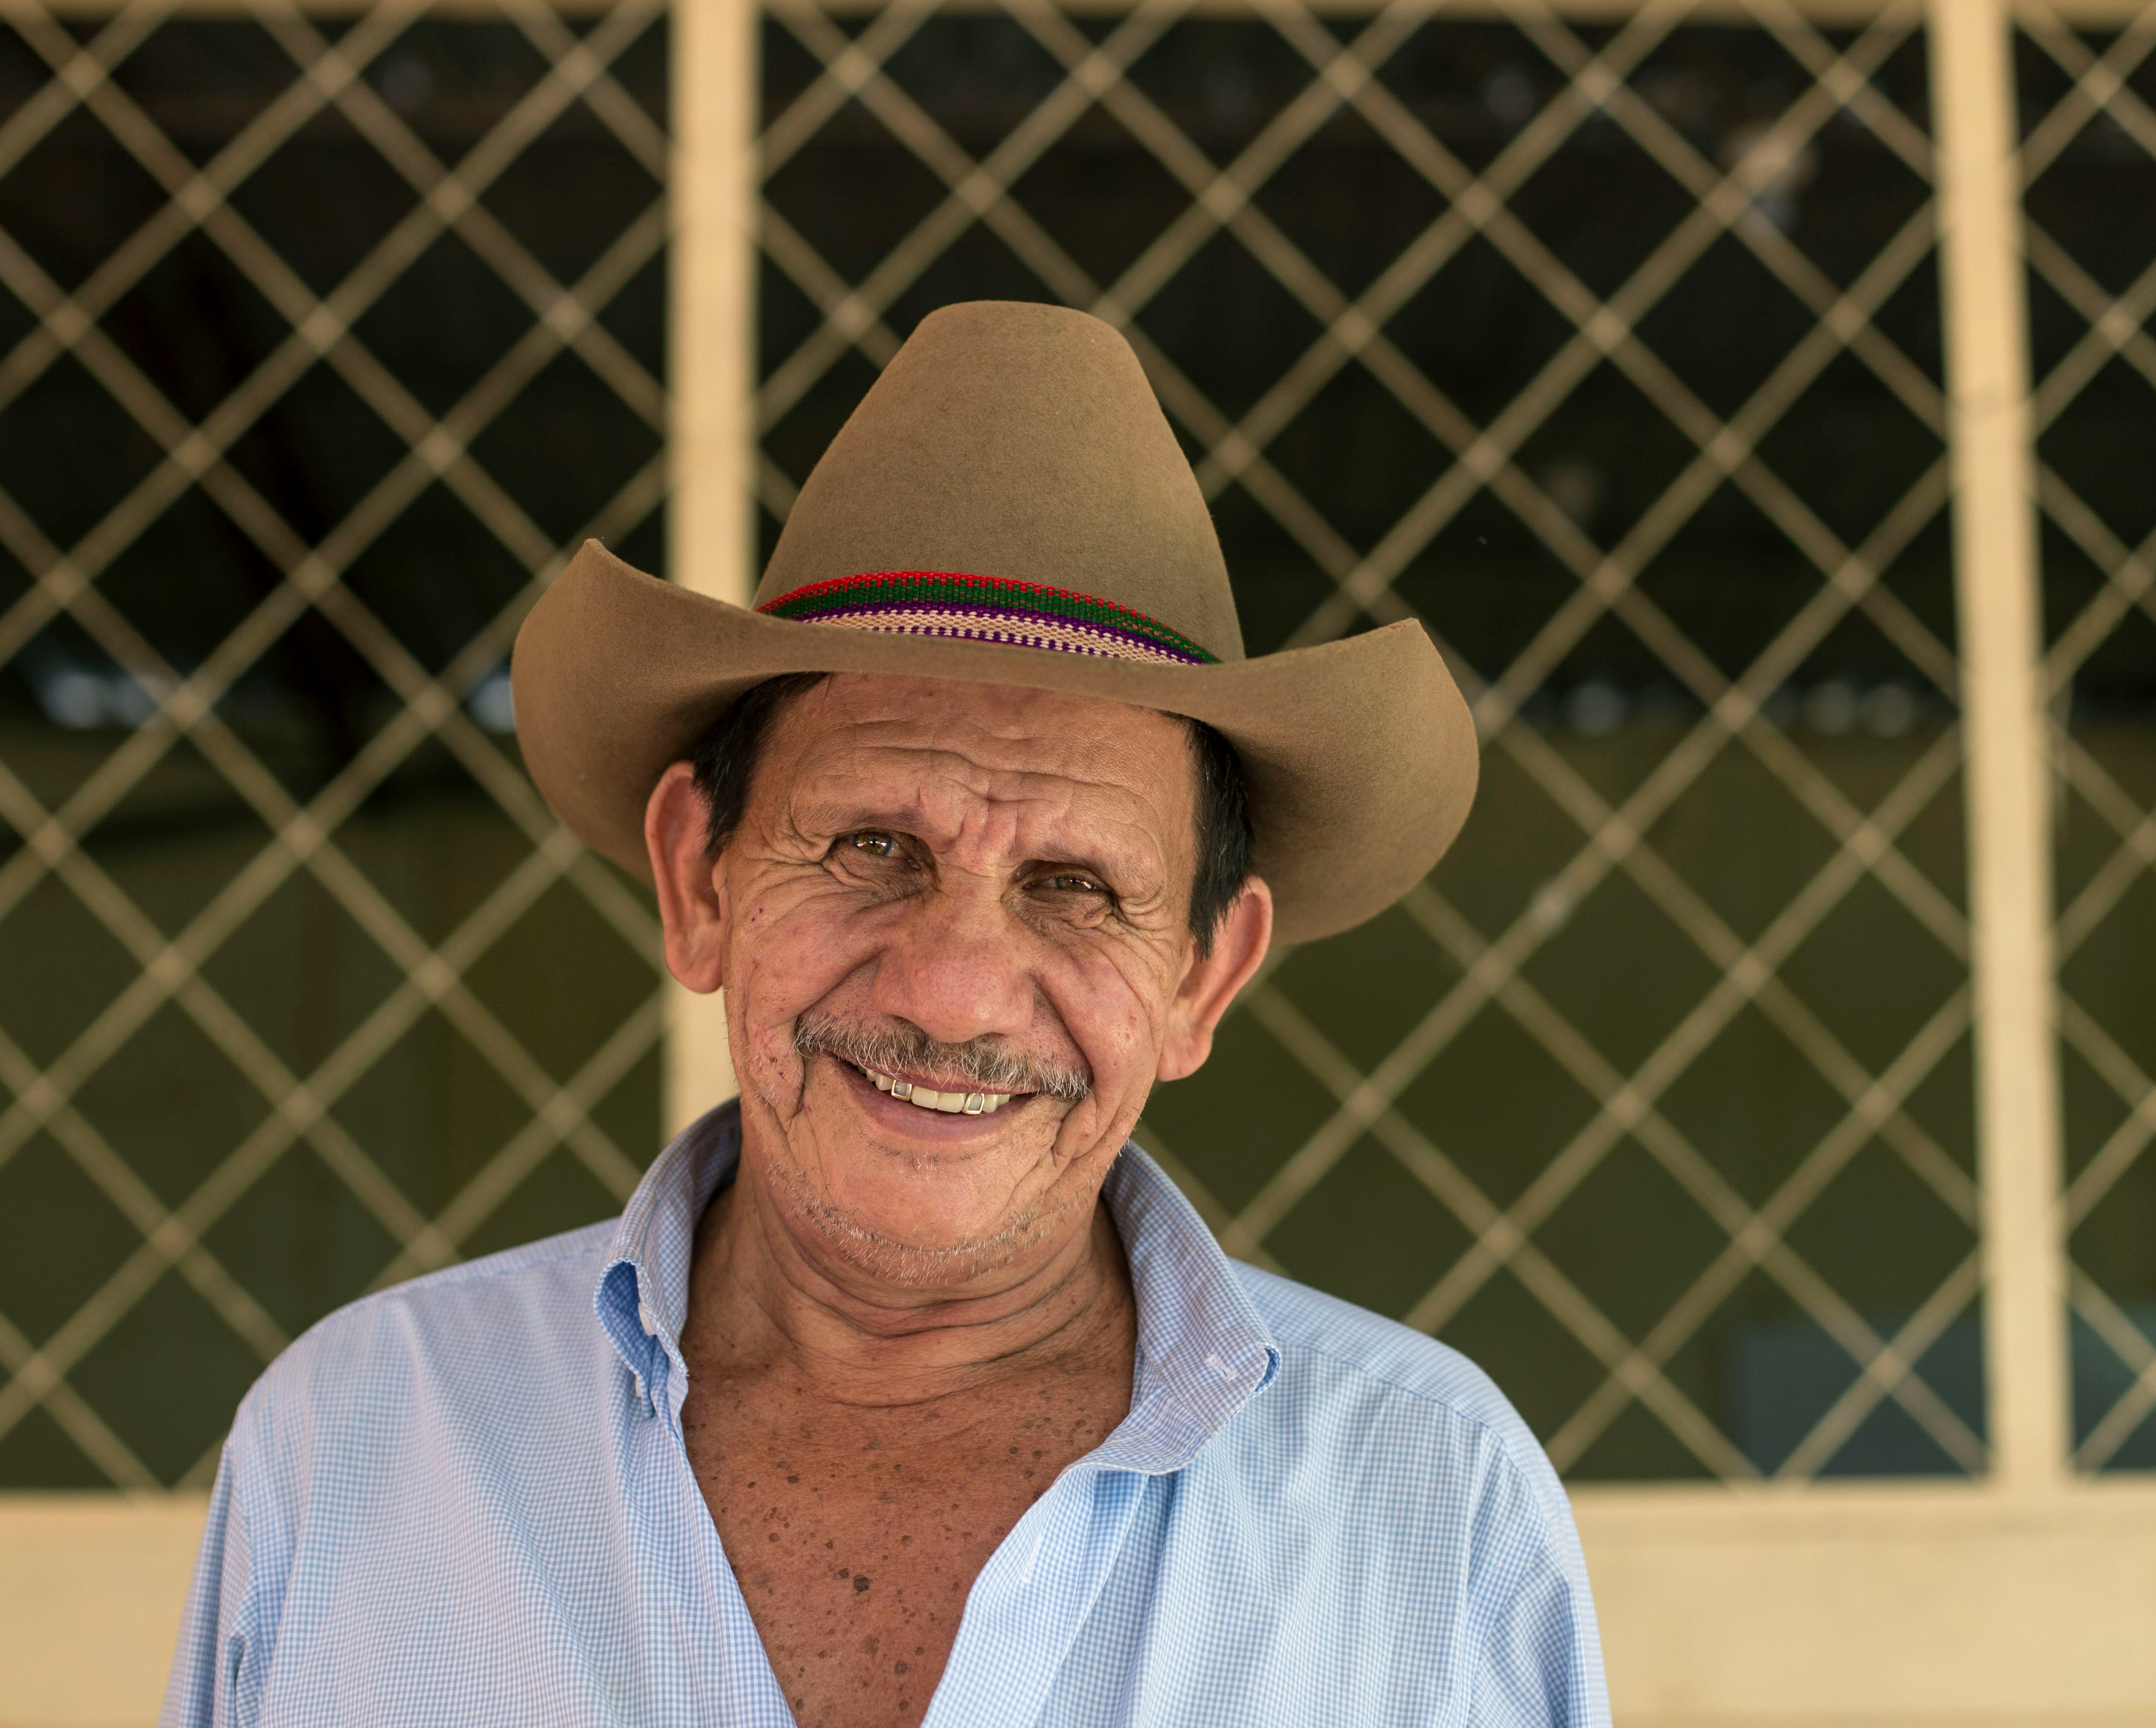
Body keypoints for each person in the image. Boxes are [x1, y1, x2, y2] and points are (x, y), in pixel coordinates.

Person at [160, 301, 1607, 1727]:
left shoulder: (1429, 1505)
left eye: (1074, 886)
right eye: (871, 850)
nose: (951, 989)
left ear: (1199, 976)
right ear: (698, 880)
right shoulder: (360, 1449)